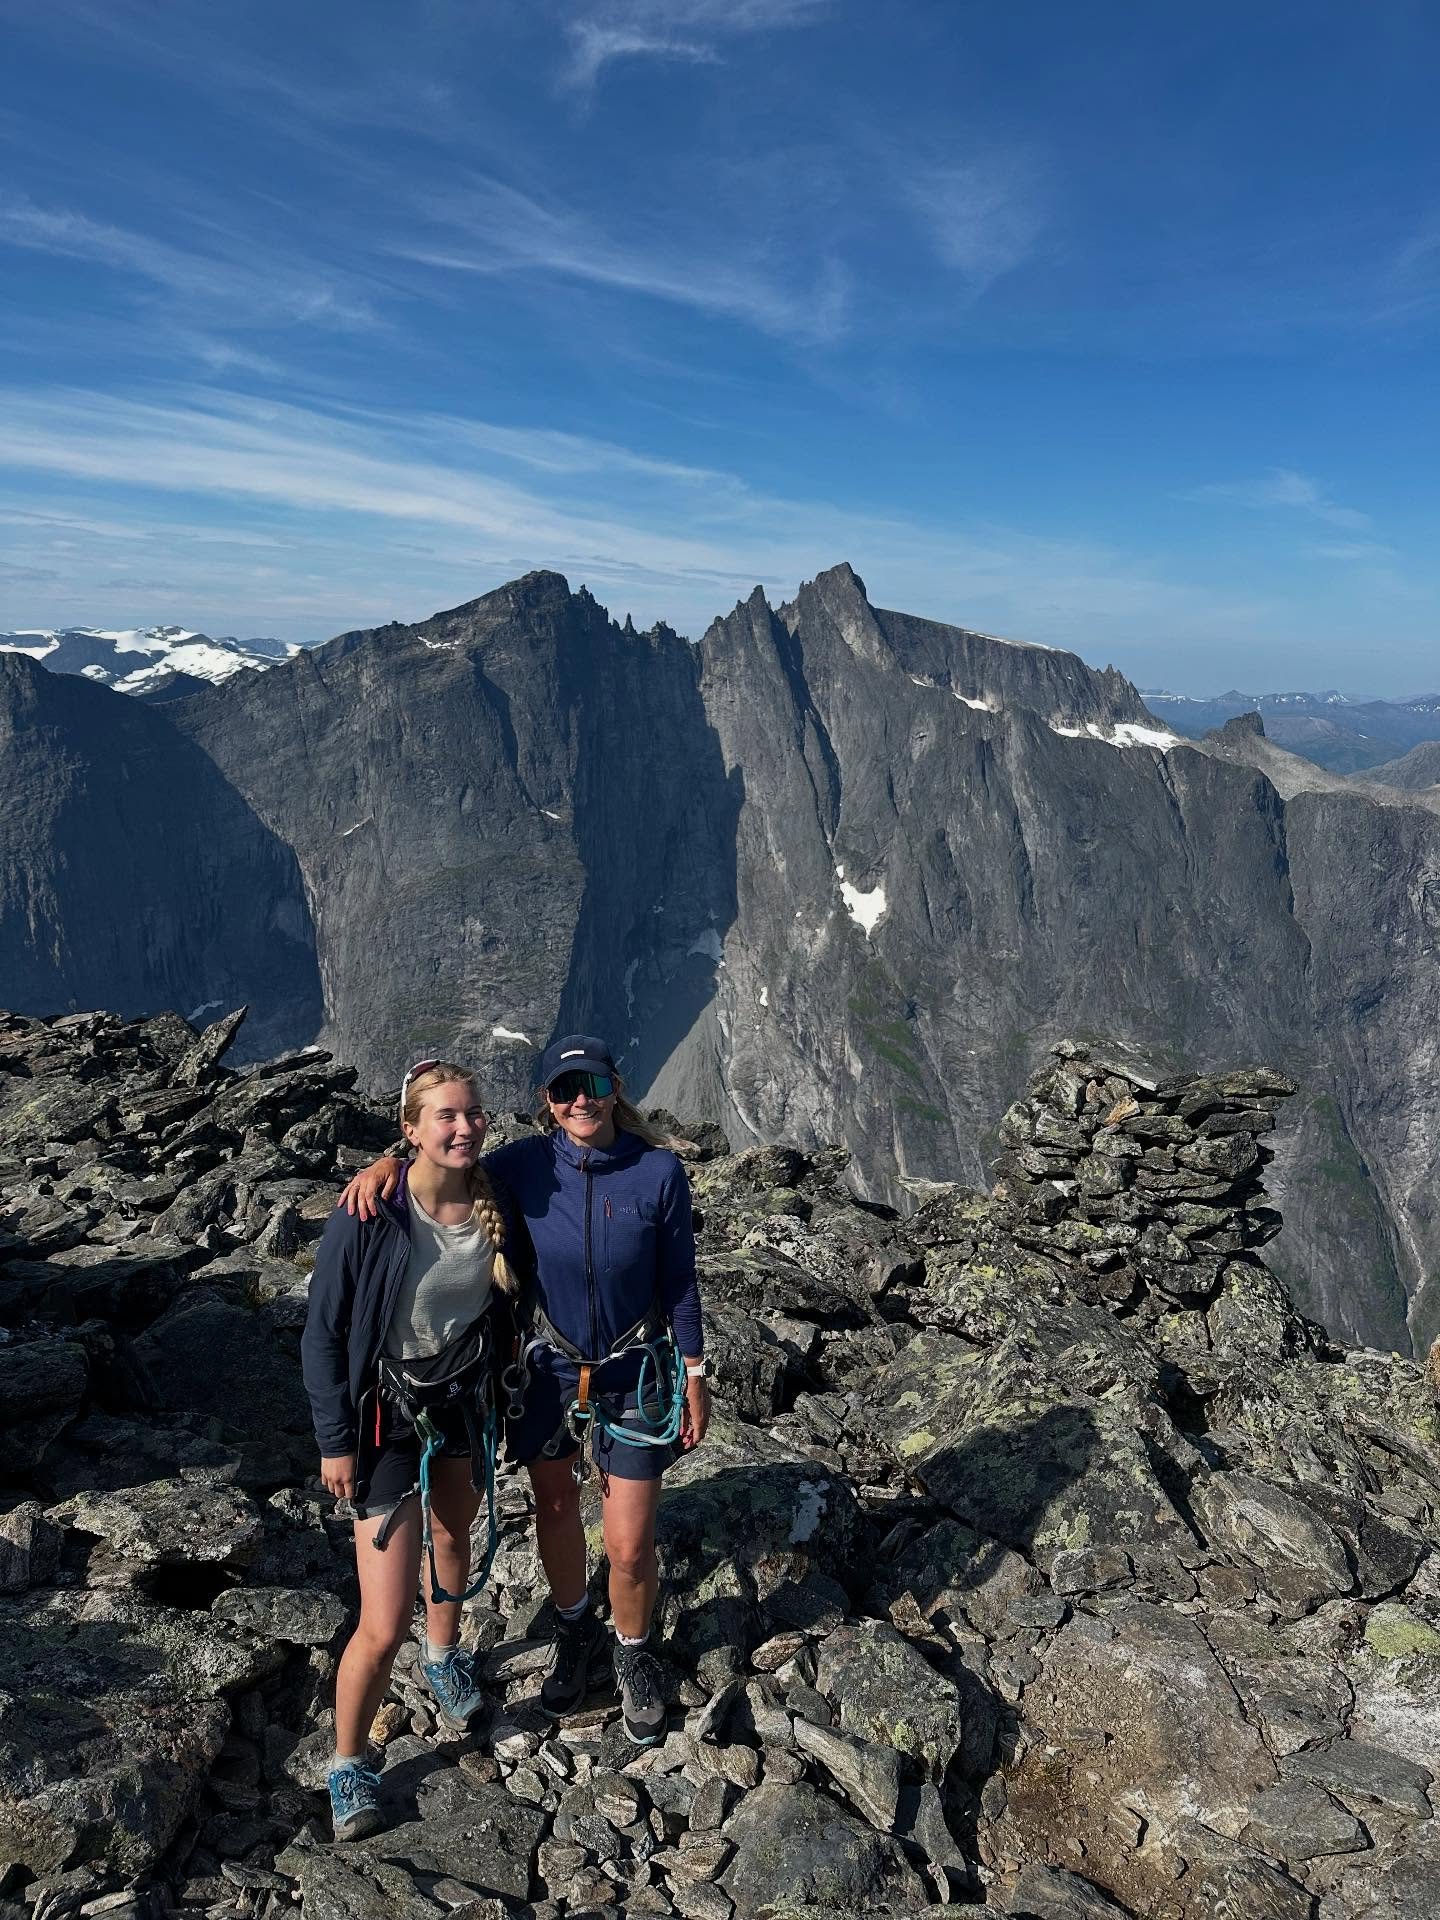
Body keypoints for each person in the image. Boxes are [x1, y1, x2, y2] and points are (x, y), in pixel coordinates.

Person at [341, 1033, 710, 1747]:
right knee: (557, 1502)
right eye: (565, 1089)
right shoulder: (521, 1166)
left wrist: (694, 1373)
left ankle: (632, 1652)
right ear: (546, 1101)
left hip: (635, 1371)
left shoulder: (659, 1173)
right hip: (546, 1371)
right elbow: (445, 1162)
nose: (580, 1101)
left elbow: (681, 1283)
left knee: (630, 1545)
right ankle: (576, 1628)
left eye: (593, 1087)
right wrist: (387, 1160)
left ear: (614, 1091)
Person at [302, 1060, 521, 1841]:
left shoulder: (495, 1197)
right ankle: (349, 1762)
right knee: (381, 1618)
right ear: (411, 1127)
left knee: (454, 1535)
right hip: (384, 1425)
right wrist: (334, 1443)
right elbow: (323, 1334)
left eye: (474, 1114)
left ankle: (446, 1655)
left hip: (462, 1404)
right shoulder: (370, 1213)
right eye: (446, 1117)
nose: (465, 1127)